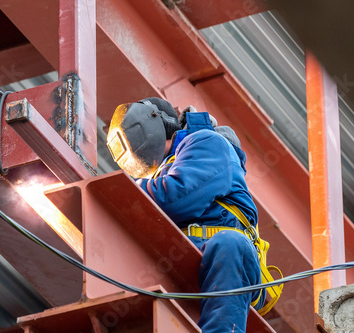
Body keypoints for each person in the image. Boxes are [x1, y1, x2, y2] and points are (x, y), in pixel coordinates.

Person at [106, 97, 264, 332]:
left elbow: (177, 198)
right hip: (184, 258)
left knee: (229, 242)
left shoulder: (207, 143)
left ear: (153, 122)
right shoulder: (159, 175)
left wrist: (122, 191)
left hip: (226, 260)